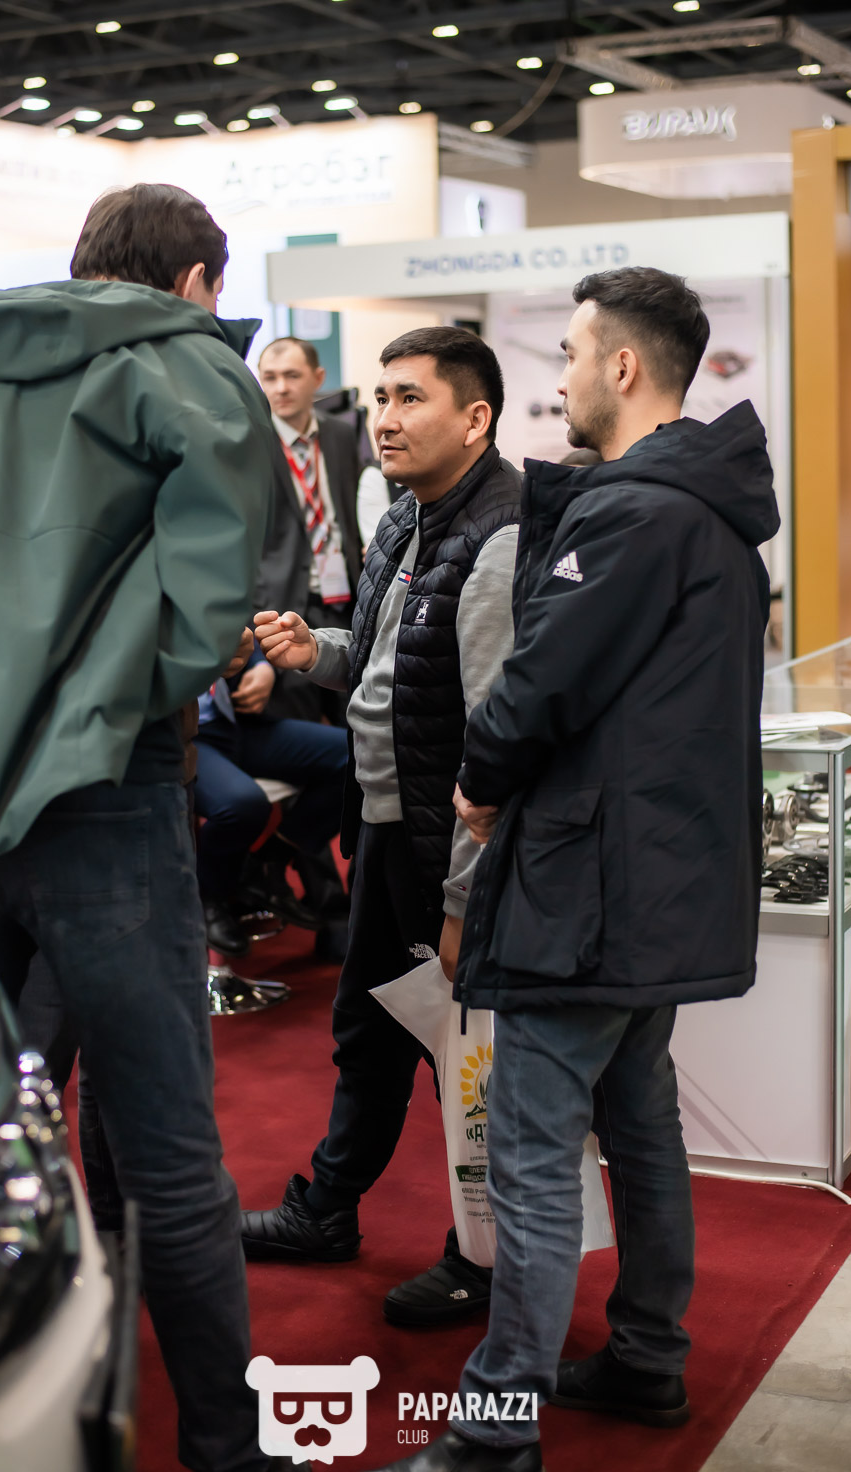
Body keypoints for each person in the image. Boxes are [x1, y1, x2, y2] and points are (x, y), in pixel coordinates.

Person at [0, 184, 308, 1472]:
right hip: (100, 794)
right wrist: (114, 703)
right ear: (193, 281)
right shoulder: (191, 367)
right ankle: (230, 1463)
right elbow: (211, 600)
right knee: (170, 1155)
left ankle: (6, 1433)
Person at [349, 267, 780, 1472]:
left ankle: (495, 1434)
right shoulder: (705, 511)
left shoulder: (635, 513)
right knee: (637, 1128)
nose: (564, 378)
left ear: (622, 367)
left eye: (573, 355)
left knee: (534, 1154)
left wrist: (480, 779)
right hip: (650, 883)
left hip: (588, 888)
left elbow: (534, 684)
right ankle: (644, 1356)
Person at [244, 326, 522, 1325]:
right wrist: (310, 652)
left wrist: (461, 899)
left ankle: (488, 1259)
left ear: (475, 418)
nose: (387, 420)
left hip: (441, 844)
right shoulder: (409, 516)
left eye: (411, 398)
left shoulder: (497, 537)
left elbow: (493, 743)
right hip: (383, 823)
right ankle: (327, 1209)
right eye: (382, 398)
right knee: (367, 1027)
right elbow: (383, 667)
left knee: (469, 1061)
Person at [195, 641, 348, 955]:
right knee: (242, 805)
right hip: (186, 734)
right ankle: (209, 897)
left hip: (234, 722)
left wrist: (261, 666)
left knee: (358, 754)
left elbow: (239, 633)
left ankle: (269, 861)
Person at [256, 336, 364, 721]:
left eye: (292, 375)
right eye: (270, 377)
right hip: (284, 608)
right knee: (303, 729)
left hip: (345, 603)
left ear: (318, 378)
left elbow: (348, 510)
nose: (280, 388)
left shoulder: (340, 434)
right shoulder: (249, 442)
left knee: (352, 723)